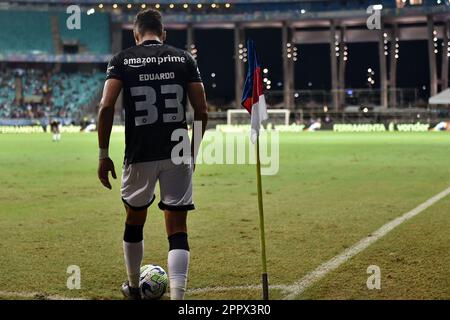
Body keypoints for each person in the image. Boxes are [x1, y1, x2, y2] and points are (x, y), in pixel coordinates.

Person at [97, 9, 208, 300]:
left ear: (136, 34)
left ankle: (134, 288)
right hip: (177, 151)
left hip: (139, 152)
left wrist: (103, 154)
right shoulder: (184, 58)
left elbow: (106, 107)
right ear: (164, 34)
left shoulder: (122, 59)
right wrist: (193, 151)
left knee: (135, 221)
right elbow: (202, 110)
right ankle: (178, 299)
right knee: (178, 228)